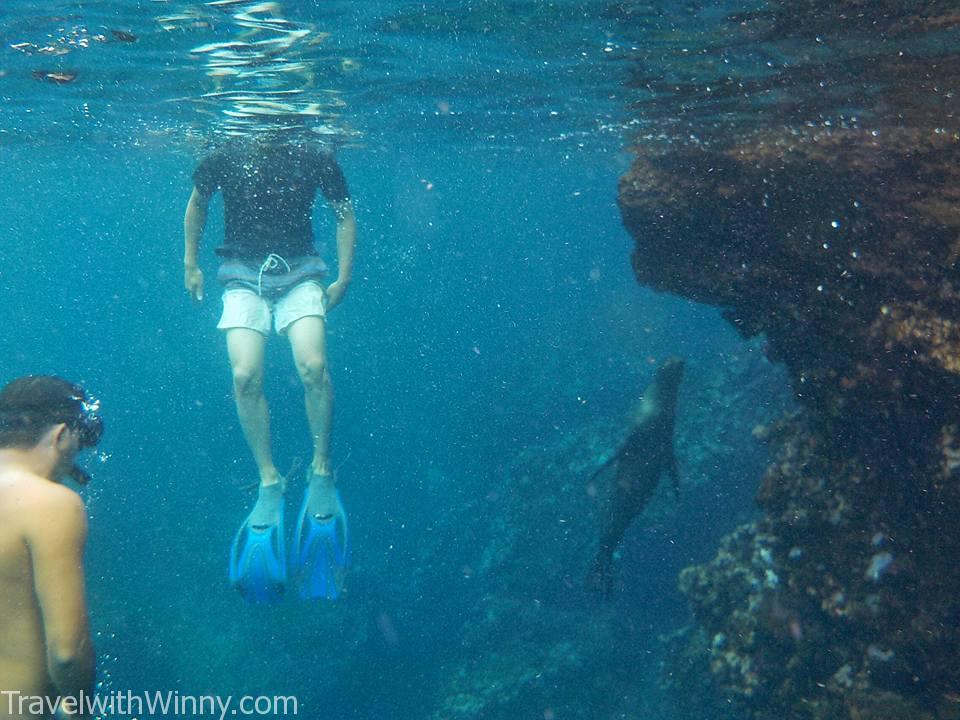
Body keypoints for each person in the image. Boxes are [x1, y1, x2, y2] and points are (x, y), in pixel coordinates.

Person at [183, 138, 354, 602]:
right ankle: (269, 480)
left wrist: (343, 274)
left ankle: (321, 469)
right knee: (244, 376)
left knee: (313, 366)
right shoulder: (223, 151)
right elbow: (198, 203)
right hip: (240, 272)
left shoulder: (316, 151)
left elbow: (344, 212)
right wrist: (190, 264)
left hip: (302, 270)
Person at [0, 376, 103, 720]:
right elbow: (67, 652)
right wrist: (80, 708)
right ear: (61, 435)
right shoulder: (51, 503)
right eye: (79, 444)